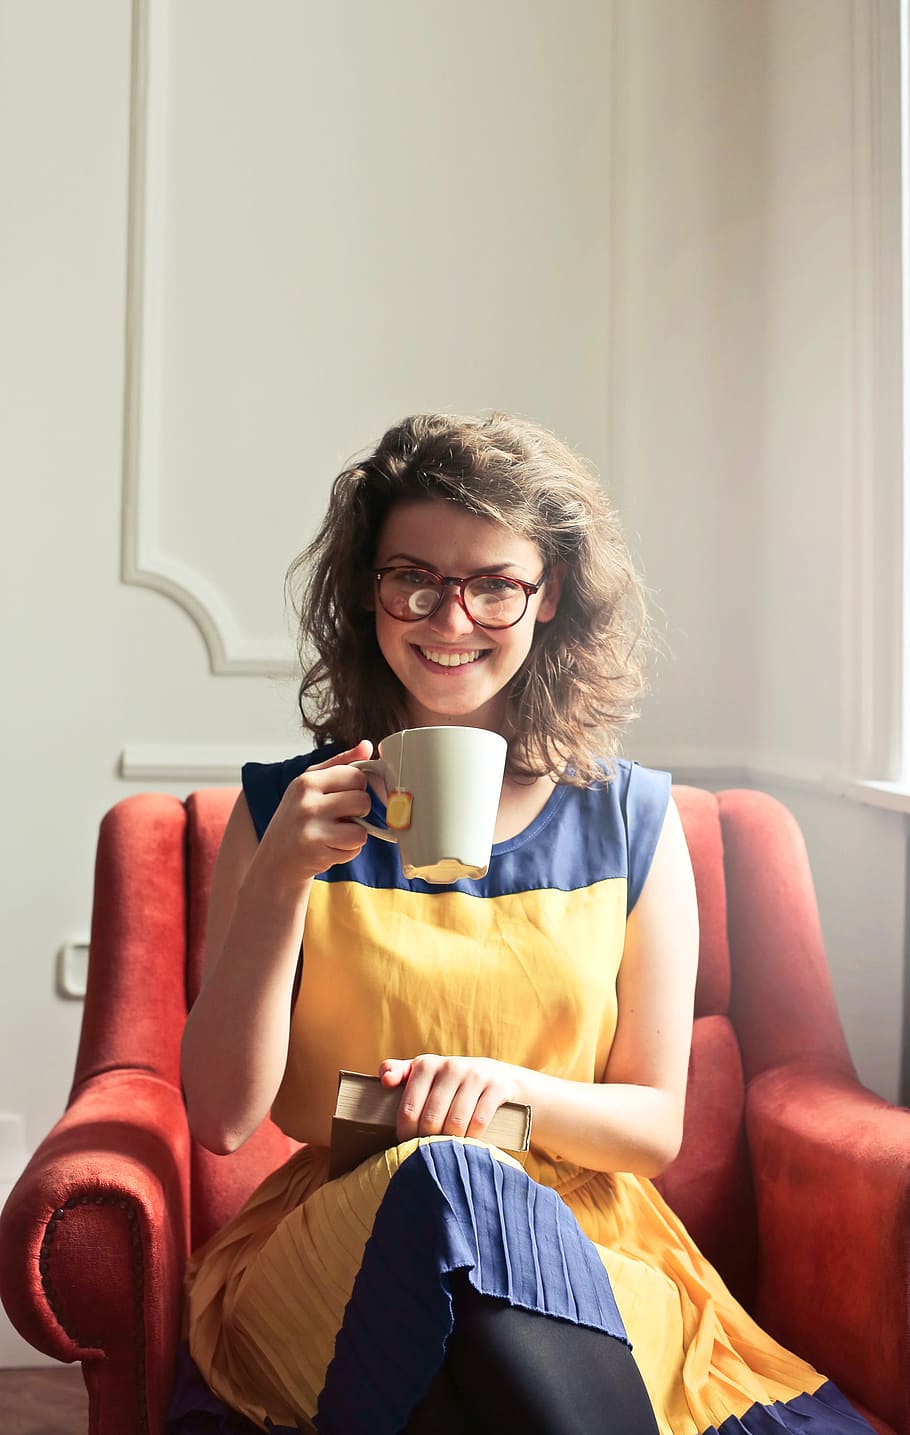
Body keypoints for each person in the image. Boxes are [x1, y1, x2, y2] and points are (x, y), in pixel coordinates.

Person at [169, 412, 873, 1435]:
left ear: (546, 602)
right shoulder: (287, 813)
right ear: (369, 591)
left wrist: (506, 1095)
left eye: (492, 583)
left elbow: (653, 1125)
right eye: (413, 576)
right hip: (342, 1244)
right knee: (443, 1176)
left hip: (589, 1247)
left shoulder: (633, 818)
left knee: (472, 1320)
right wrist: (281, 875)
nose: (449, 617)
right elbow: (223, 1119)